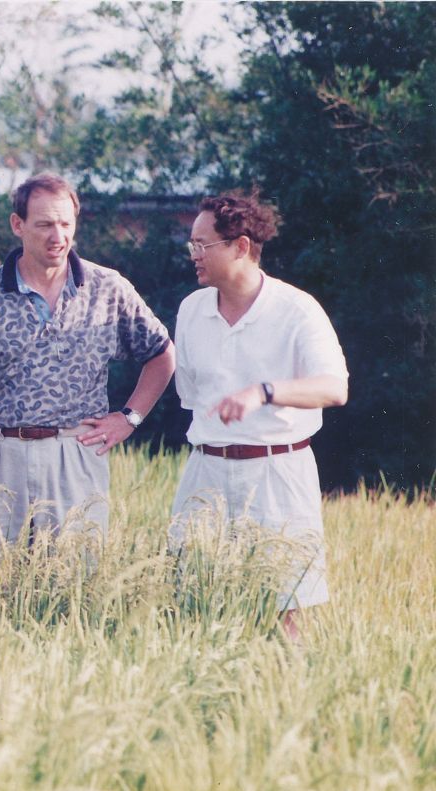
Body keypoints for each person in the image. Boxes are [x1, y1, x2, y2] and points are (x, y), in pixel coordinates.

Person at [0, 173, 175, 554]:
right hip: (0, 454)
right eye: (45, 224)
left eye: (66, 224)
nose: (58, 236)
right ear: (17, 225)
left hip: (76, 453)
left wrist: (129, 418)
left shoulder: (108, 287)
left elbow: (162, 353)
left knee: (74, 581)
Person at [170, 190, 347, 640]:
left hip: (278, 473)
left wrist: (265, 392)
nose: (193, 254)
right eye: (191, 244)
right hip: (205, 472)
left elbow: (334, 387)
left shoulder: (298, 309)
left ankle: (287, 701)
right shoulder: (191, 310)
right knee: (193, 600)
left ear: (241, 247)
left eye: (202, 245)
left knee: (288, 609)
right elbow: (191, 395)